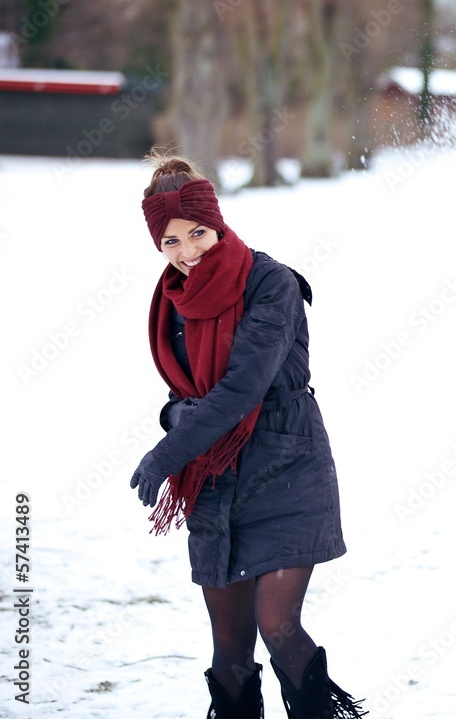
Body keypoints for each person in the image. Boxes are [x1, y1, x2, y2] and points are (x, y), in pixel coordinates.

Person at [129, 150, 366, 719]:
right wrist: (175, 422)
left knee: (278, 626)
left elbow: (242, 388)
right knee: (230, 650)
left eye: (198, 234)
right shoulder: (173, 300)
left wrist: (168, 452)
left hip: (286, 467)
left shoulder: (271, 284)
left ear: (217, 221)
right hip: (215, 478)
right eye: (170, 242)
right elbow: (184, 394)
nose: (187, 253)